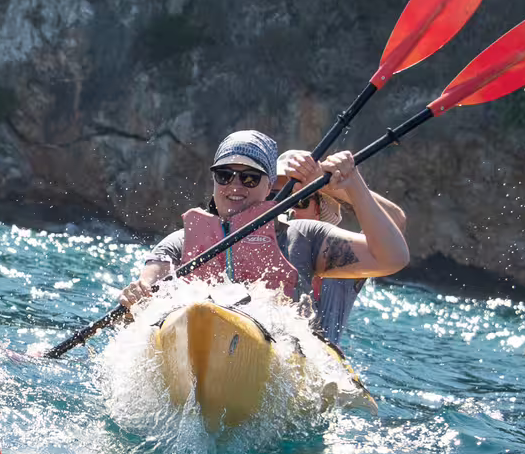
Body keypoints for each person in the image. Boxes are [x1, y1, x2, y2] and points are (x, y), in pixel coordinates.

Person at [121, 130, 409, 345]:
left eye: (249, 178)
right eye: (225, 175)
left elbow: (392, 244)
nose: (283, 204)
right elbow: (152, 274)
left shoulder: (310, 239)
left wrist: (345, 184)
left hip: (294, 358)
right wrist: (140, 291)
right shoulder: (183, 239)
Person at [270, 147, 409, 346]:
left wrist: (328, 183)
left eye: (299, 201)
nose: (287, 210)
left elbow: (395, 222)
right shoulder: (255, 245)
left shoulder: (341, 262)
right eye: (279, 198)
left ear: (318, 211)